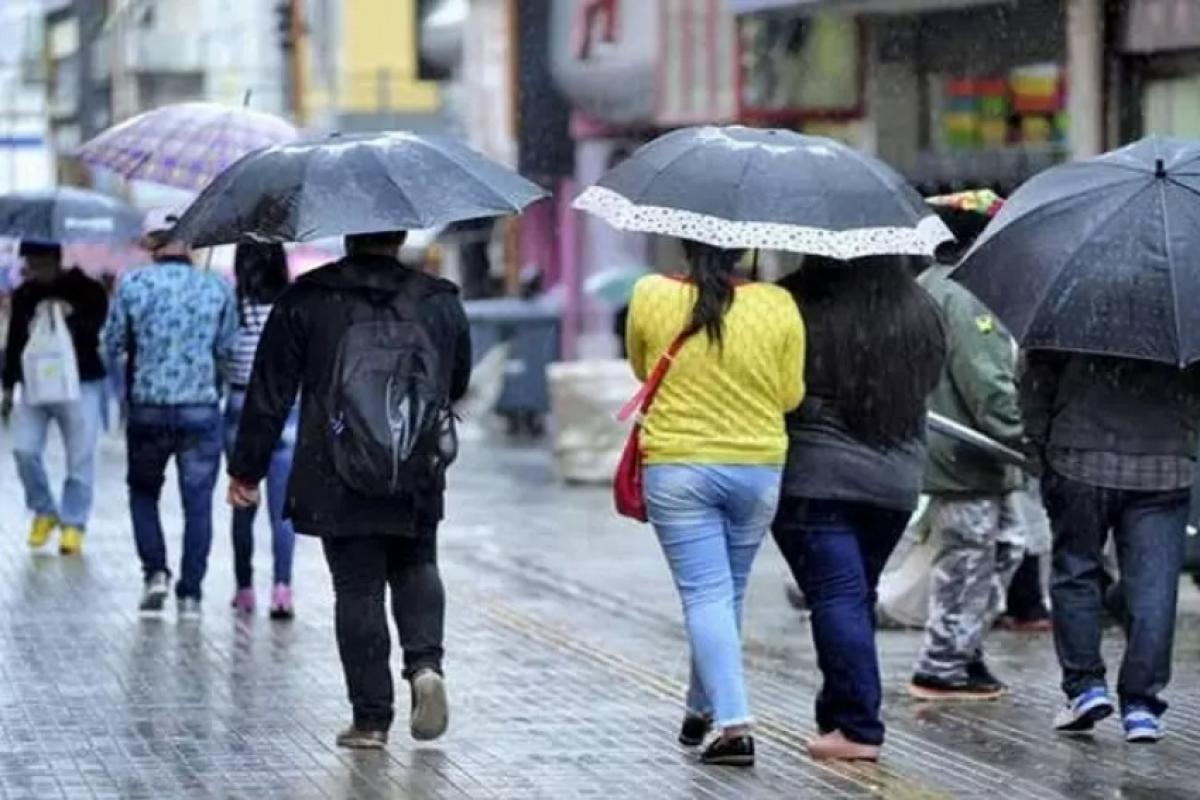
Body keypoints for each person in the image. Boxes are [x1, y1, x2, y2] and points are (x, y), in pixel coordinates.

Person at [227, 230, 471, 750]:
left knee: (357, 588)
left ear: (347, 234)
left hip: (338, 466)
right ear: (401, 234)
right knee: (417, 562)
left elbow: (270, 391)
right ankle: (425, 666)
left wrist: (247, 469)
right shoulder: (438, 299)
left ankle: (371, 720)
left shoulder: (307, 299)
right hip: (416, 461)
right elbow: (457, 378)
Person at [625, 241, 804, 768]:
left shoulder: (650, 294)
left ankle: (734, 725)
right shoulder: (777, 303)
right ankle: (699, 707)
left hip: (679, 465)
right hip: (757, 466)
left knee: (706, 595)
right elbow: (790, 395)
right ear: (743, 250)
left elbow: (641, 368)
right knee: (726, 594)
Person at [774, 256, 945, 761]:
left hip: (817, 477)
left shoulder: (793, 302)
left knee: (836, 596)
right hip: (895, 482)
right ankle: (838, 712)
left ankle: (857, 727)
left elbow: (779, 384)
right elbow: (929, 382)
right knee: (852, 594)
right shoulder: (920, 307)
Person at [1023, 351, 1200, 743]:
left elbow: (1038, 376)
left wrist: (1037, 441)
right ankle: (1141, 706)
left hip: (1079, 455)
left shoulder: (1072, 298)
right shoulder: (1188, 308)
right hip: (1164, 462)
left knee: (1076, 570)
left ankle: (1085, 686)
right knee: (1154, 587)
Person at [909, 196, 1027, 700]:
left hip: (947, 448)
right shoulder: (966, 295)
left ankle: (963, 646)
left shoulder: (924, 287)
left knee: (999, 546)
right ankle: (943, 662)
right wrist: (1026, 439)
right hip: (968, 454)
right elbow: (989, 385)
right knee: (969, 557)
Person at [102, 210, 236, 619]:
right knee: (198, 505)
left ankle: (155, 572)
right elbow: (227, 350)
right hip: (200, 410)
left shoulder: (134, 284)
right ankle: (191, 594)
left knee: (144, 493)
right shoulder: (217, 287)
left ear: (152, 244)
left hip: (148, 410)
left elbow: (112, 341)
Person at [2, 241, 109, 554]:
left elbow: (95, 330)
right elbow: (15, 342)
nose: (32, 269)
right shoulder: (24, 294)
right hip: (34, 386)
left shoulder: (89, 290)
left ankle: (74, 523)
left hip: (82, 382)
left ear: (54, 259)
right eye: (29, 263)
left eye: (37, 262)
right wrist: (8, 386)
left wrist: (67, 318)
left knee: (80, 456)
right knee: (24, 450)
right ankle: (44, 510)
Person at [225, 243, 298, 619]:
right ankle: (282, 590)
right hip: (286, 408)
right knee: (282, 512)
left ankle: (244, 589)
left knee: (243, 502)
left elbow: (223, 353)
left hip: (240, 406)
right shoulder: (291, 304)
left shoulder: (234, 305)